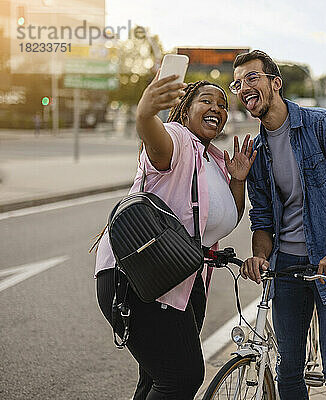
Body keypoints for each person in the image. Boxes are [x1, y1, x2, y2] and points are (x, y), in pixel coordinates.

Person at [91, 72, 256, 400]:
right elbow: (154, 139)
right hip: (138, 275)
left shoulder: (216, 161)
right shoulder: (177, 140)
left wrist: (238, 179)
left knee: (158, 378)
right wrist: (145, 114)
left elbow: (224, 221)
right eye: (206, 100)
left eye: (222, 104)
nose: (217, 108)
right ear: (185, 110)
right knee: (183, 376)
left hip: (179, 280)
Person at [231, 50, 326, 399]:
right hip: (288, 266)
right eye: (237, 84)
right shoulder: (256, 151)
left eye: (252, 78)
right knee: (288, 371)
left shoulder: (321, 125)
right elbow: (263, 218)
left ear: (275, 83)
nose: (244, 88)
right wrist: (259, 256)